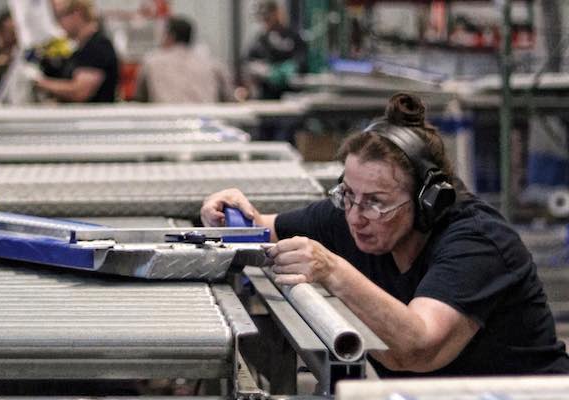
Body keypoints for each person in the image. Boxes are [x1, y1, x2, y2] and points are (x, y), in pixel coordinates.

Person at [201, 93, 569, 377]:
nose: (357, 217)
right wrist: (225, 211)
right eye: (348, 194)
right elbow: (259, 228)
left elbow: (417, 348)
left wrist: (333, 271)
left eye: (376, 202)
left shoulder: (477, 243)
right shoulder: (350, 214)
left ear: (428, 200)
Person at [32, 0, 119, 103]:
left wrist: (42, 83)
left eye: (60, 16)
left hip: (94, 118)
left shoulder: (98, 46)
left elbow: (80, 92)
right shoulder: (80, 49)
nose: (59, 24)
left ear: (76, 13)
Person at [135, 16, 233, 103]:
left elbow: (140, 97)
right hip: (205, 121)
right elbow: (228, 97)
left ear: (170, 37)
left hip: (165, 121)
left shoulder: (151, 62)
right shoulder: (212, 63)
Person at [242, 0, 306, 100]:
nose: (265, 22)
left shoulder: (292, 37)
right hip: (266, 96)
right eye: (262, 19)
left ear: (277, 13)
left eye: (268, 17)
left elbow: (302, 61)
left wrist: (288, 69)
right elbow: (248, 62)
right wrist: (262, 71)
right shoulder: (259, 40)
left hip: (291, 96)